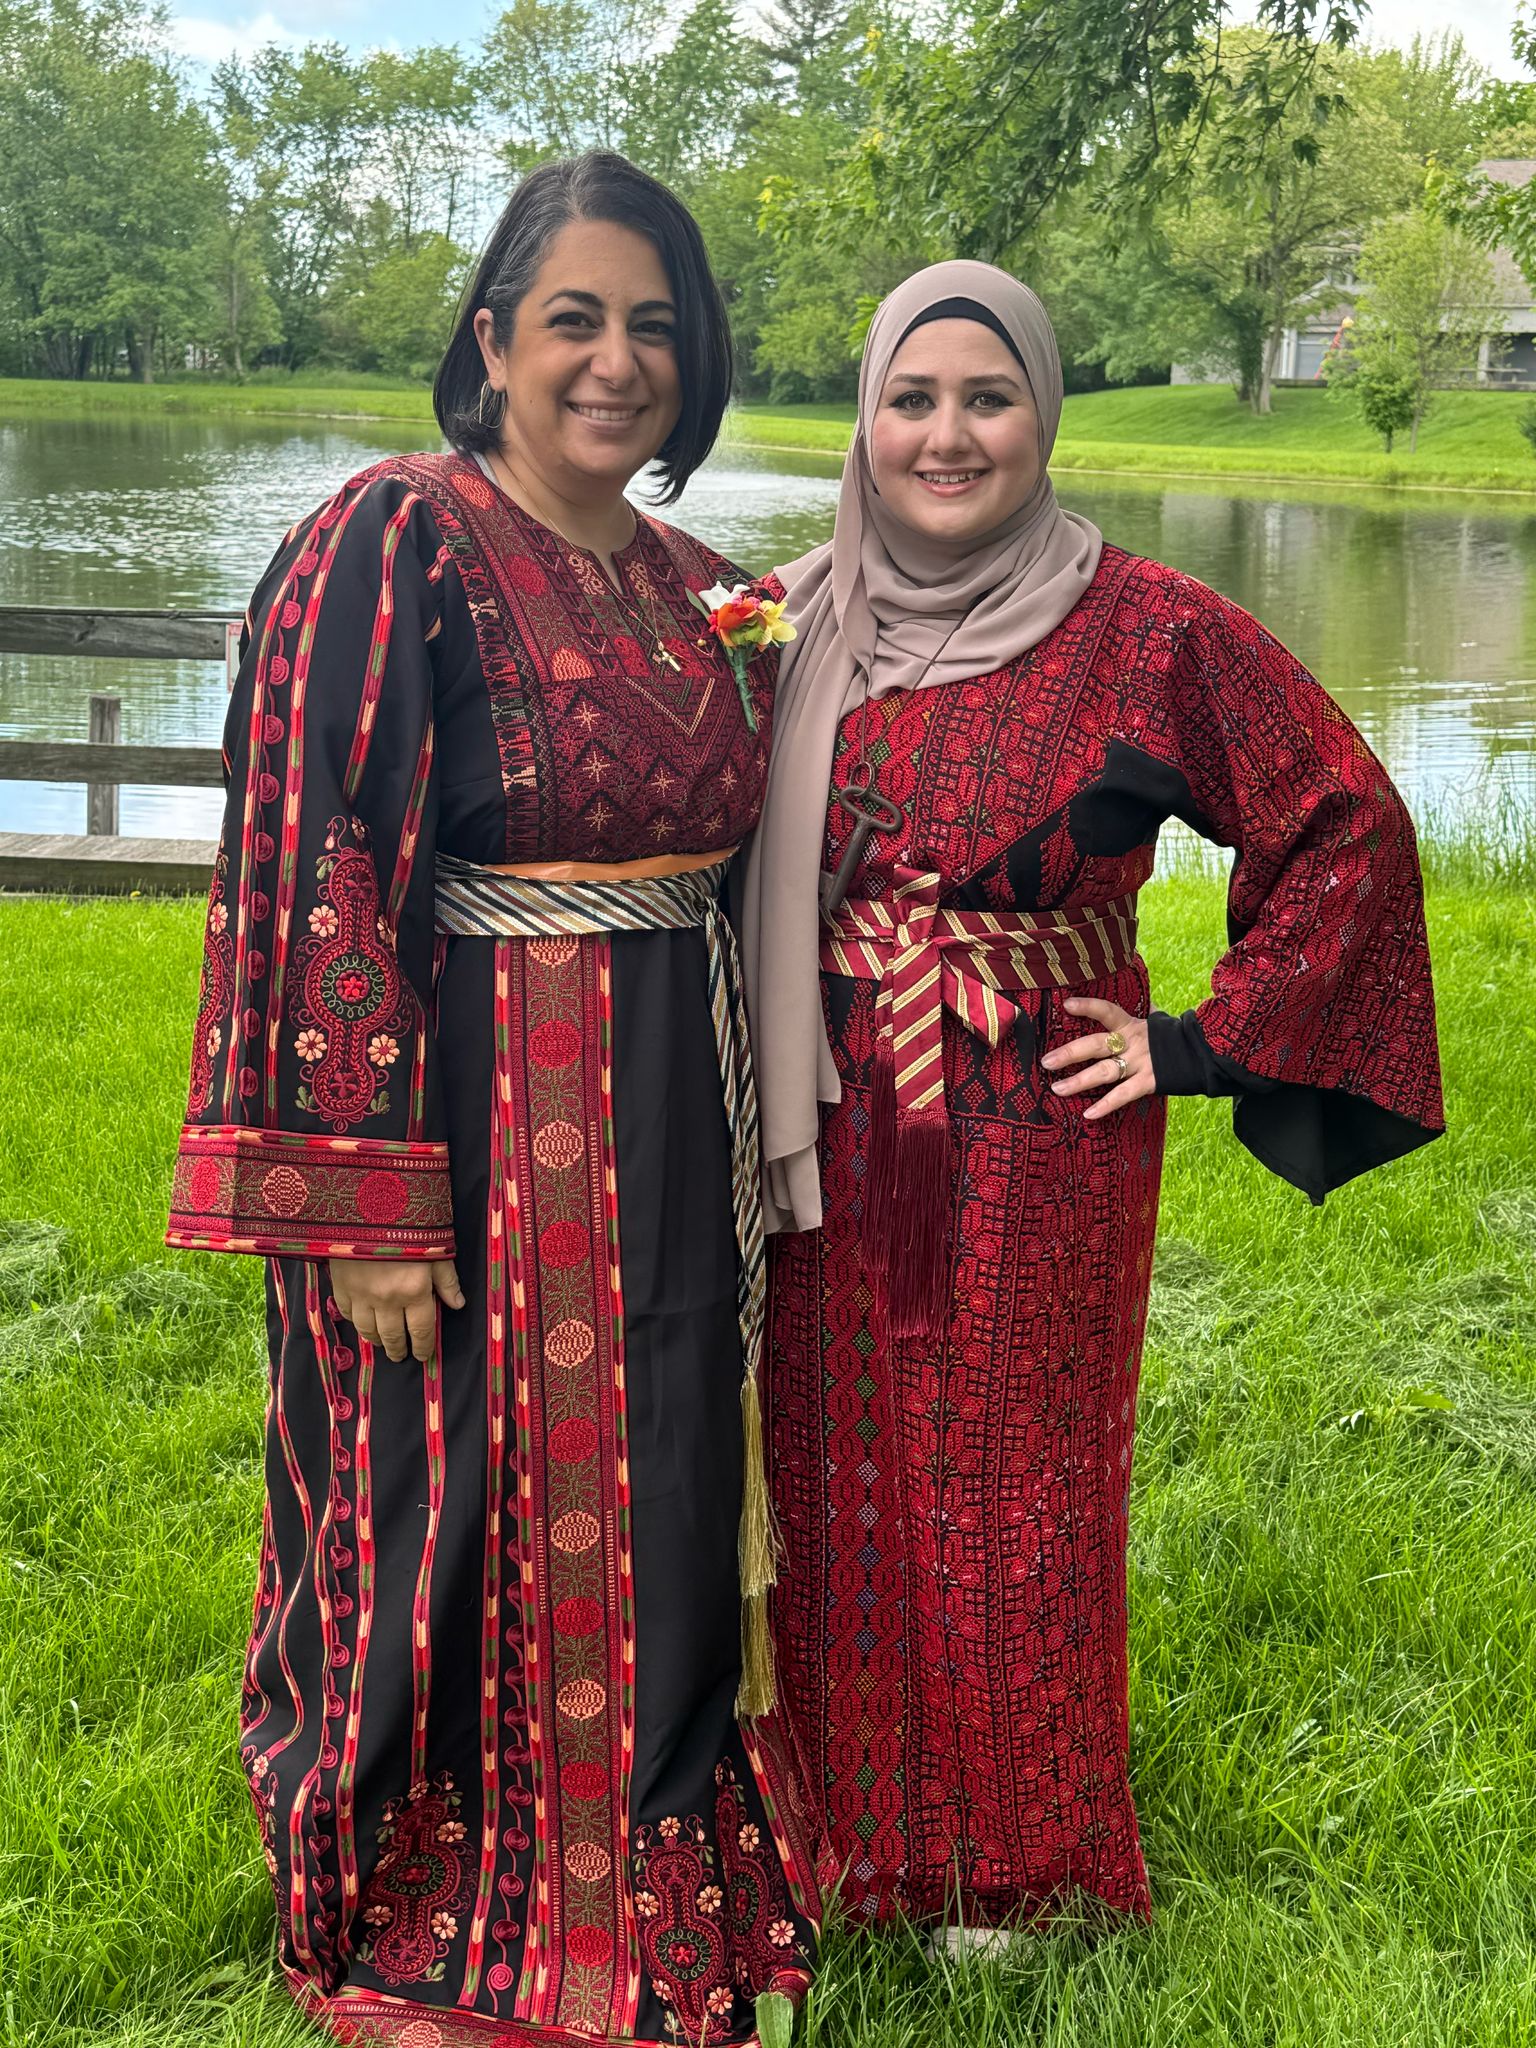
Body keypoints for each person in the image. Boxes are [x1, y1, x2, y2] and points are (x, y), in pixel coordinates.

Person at [168, 151, 818, 2047]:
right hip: (463, 1116)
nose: (616, 362)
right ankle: (436, 1892)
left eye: (653, 327)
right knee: (444, 1500)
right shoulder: (395, 540)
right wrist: (360, 1197)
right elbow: (313, 863)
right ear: (493, 343)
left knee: (676, 1478)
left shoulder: (703, 589)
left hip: (673, 1122)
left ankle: (661, 1870)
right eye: (574, 321)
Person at [740, 261, 1443, 1940]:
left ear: (1047, 413)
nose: (947, 434)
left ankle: (1024, 1874)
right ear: (864, 416)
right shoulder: (777, 619)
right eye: (912, 399)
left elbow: (1344, 819)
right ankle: (835, 1845)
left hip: (1040, 1127)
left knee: (1014, 1481)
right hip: (814, 1112)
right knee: (824, 1462)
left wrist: (1196, 1039)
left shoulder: (1147, 626)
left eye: (989, 398)